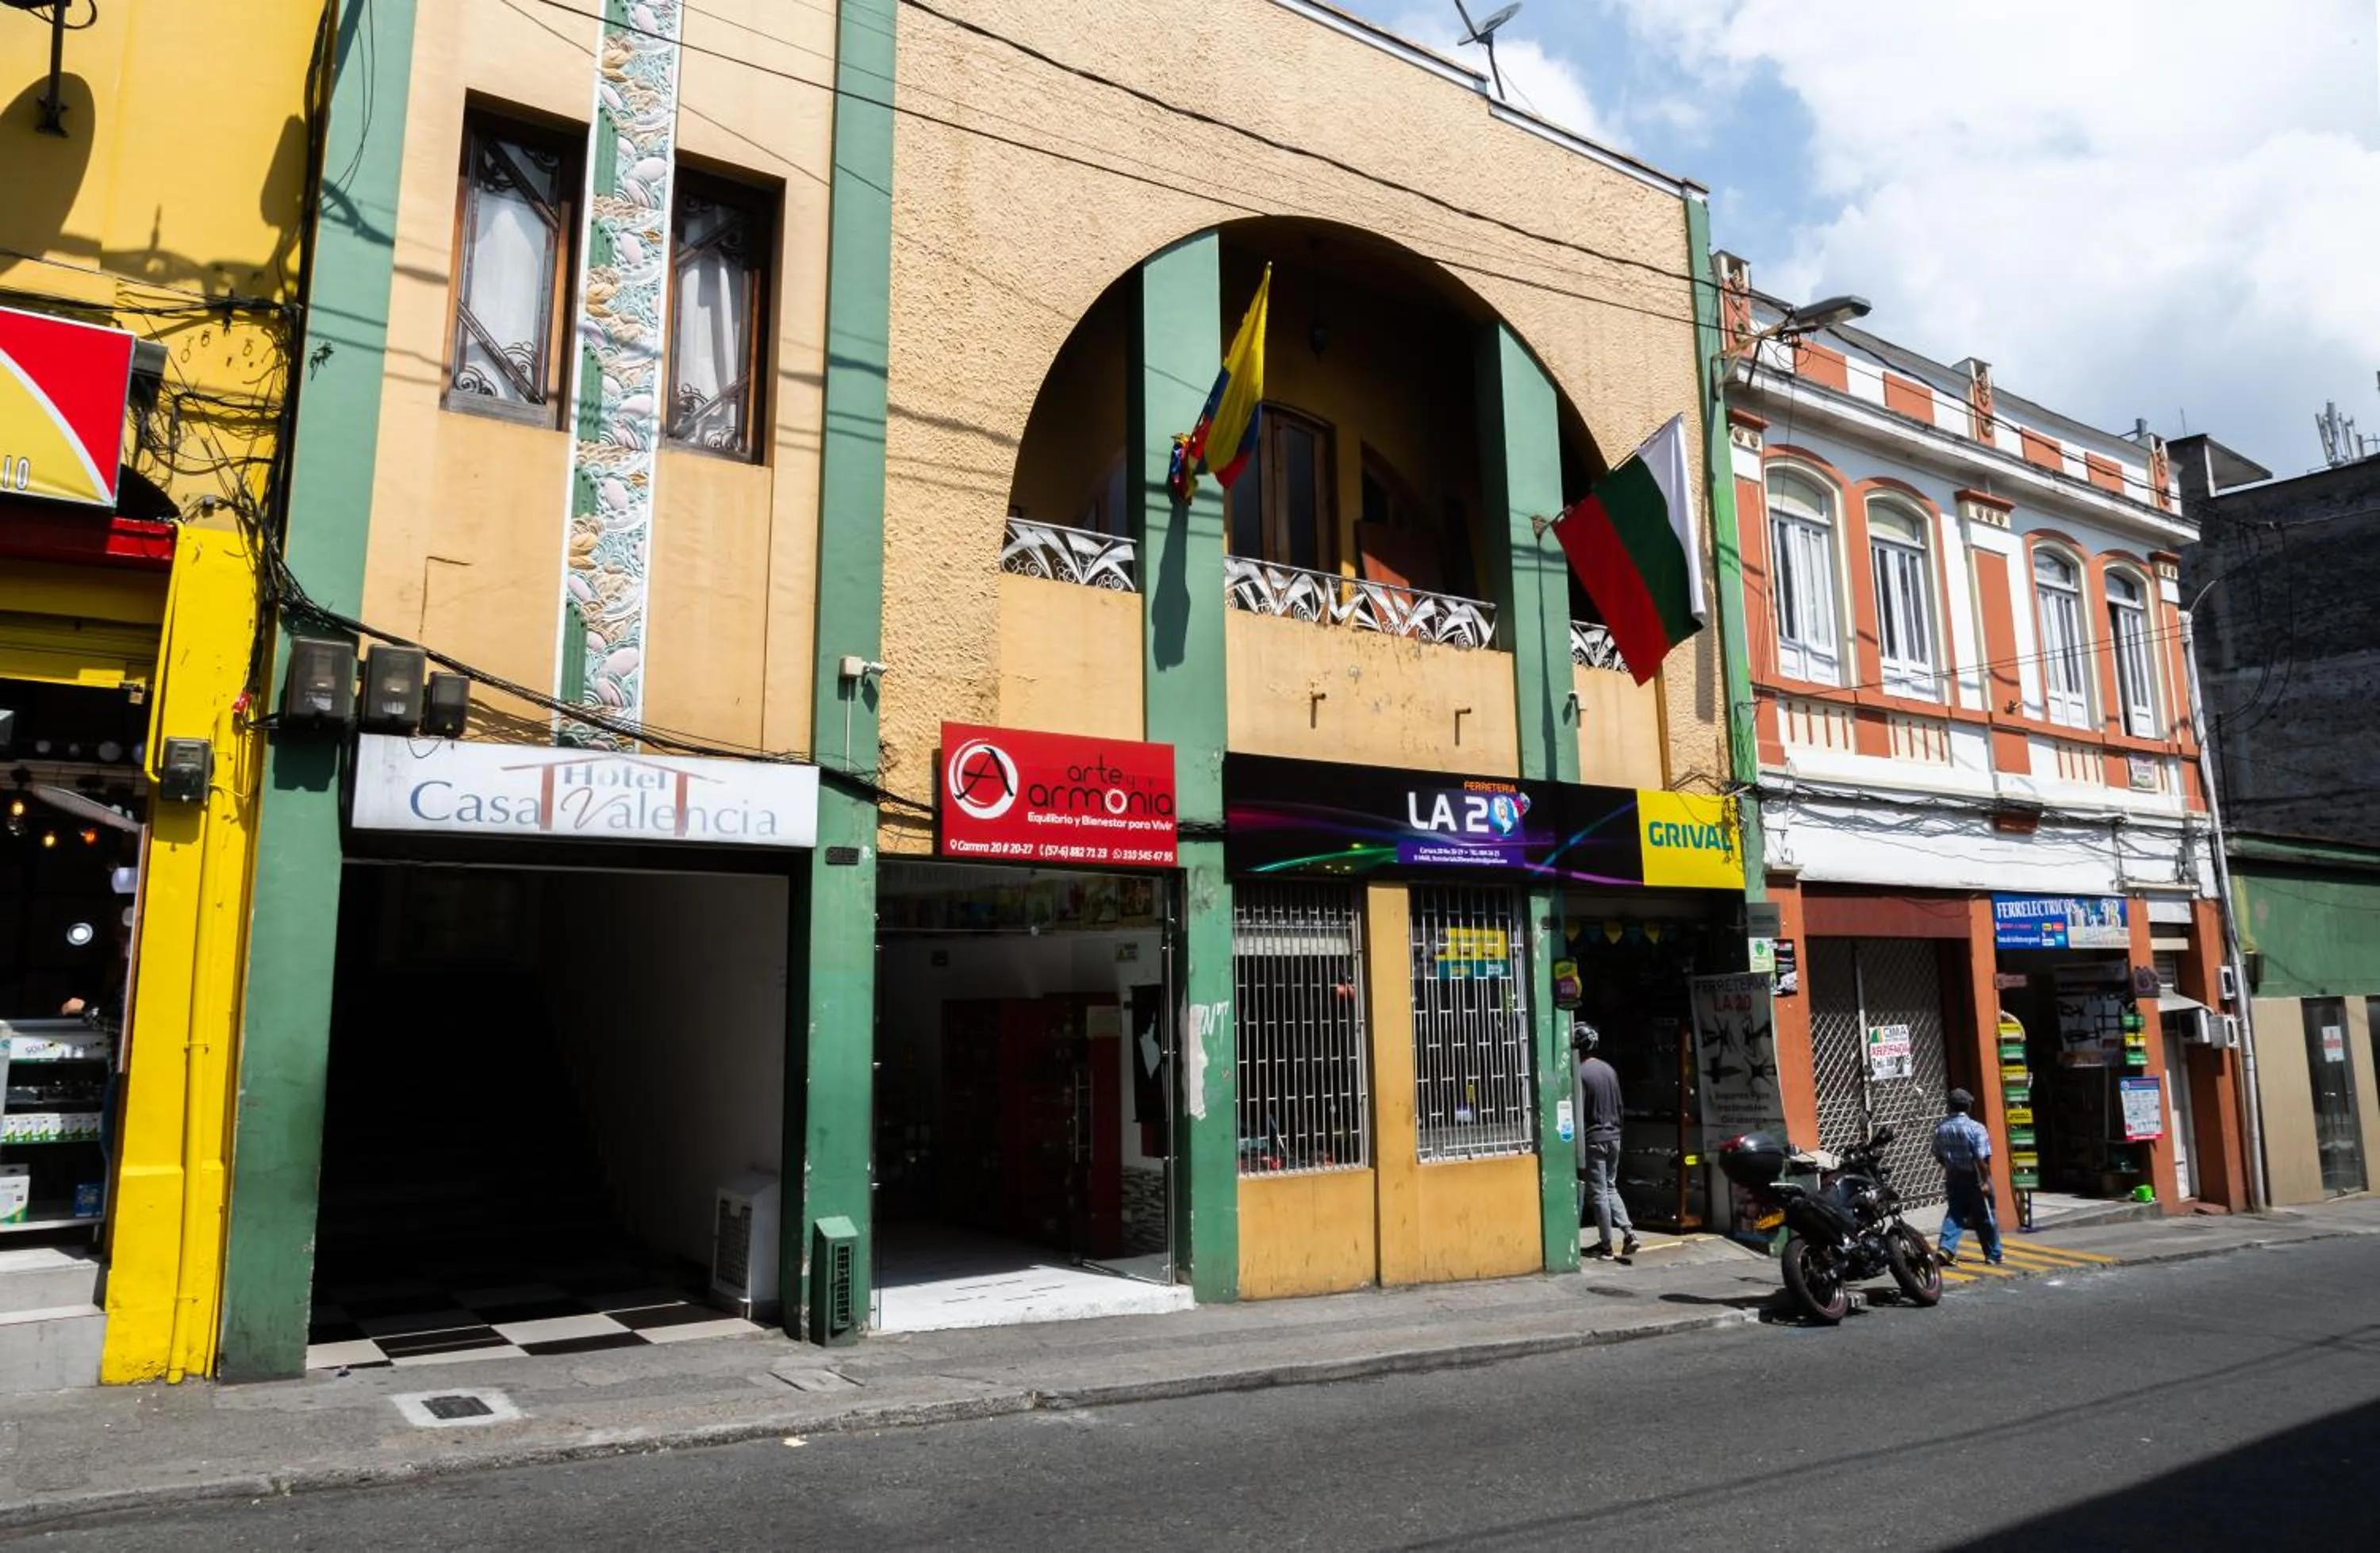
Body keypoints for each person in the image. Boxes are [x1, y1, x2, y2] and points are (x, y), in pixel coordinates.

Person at [1573, 1022, 1639, 1260]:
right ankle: (1629, 1232)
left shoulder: (1579, 1074)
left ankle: (1606, 1245)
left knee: (1598, 1192)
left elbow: (1578, 1112)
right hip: (1614, 1137)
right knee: (1611, 1187)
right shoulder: (1609, 1070)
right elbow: (1620, 1106)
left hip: (1595, 1139)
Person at [1933, 1087, 2004, 1267]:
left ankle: (1946, 1248)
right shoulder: (1976, 1128)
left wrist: (1951, 1167)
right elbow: (1981, 1158)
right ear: (1968, 1106)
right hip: (1974, 1177)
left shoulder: (1941, 1128)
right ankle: (1993, 1254)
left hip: (1954, 1176)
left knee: (1955, 1213)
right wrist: (1986, 1180)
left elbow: (1938, 1154)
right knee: (1986, 1215)